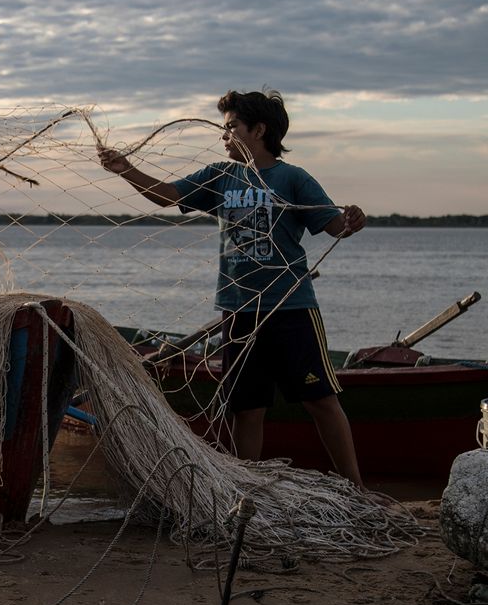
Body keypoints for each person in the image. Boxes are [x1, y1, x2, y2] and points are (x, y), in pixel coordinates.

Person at [99, 89, 367, 488]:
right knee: (247, 407)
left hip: (291, 308)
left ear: (259, 130)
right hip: (239, 309)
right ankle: (247, 491)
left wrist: (353, 220)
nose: (224, 136)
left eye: (232, 127)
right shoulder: (221, 176)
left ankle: (357, 487)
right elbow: (167, 196)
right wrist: (126, 169)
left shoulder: (293, 178)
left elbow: (334, 225)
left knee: (320, 400)